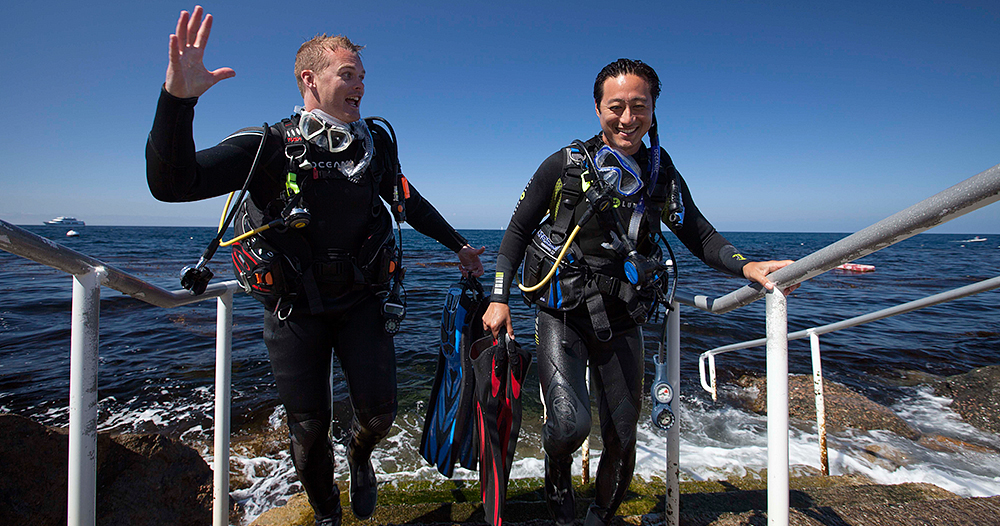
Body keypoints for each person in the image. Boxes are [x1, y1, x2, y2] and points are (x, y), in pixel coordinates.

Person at [145, 7, 484, 526]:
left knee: (378, 414)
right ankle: (328, 515)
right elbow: (173, 185)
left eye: (363, 77)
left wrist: (458, 244)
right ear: (309, 79)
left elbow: (406, 201)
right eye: (348, 74)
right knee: (307, 427)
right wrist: (177, 102)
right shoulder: (269, 145)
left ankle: (361, 454)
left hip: (363, 300)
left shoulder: (377, 143)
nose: (361, 86)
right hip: (293, 308)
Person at [482, 58, 795, 526]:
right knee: (569, 426)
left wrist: (745, 266)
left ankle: (598, 517)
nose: (627, 118)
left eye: (638, 106)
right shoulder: (565, 166)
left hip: (624, 316)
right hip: (562, 311)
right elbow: (516, 229)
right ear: (597, 109)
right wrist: (499, 297)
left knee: (623, 438)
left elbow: (700, 235)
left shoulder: (660, 176)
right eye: (616, 107)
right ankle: (556, 473)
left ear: (652, 110)